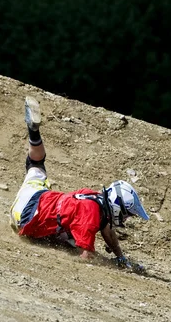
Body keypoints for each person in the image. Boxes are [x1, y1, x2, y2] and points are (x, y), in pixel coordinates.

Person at [9, 96, 149, 271]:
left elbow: (107, 230)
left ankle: (34, 132)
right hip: (25, 218)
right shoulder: (91, 217)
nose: (126, 218)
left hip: (35, 196)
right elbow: (86, 256)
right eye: (126, 214)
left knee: (36, 165)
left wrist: (120, 257)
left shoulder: (95, 198)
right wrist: (107, 264)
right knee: (73, 244)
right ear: (117, 207)